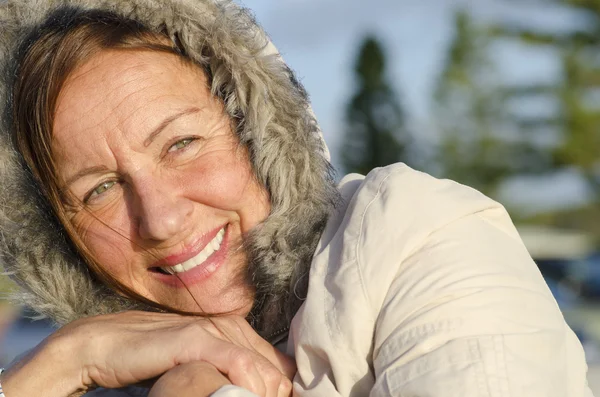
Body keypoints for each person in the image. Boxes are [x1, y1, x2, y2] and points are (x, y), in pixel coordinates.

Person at [0, 1, 593, 396]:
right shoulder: (90, 374)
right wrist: (63, 362)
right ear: (58, 235)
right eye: (100, 189)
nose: (161, 217)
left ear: (258, 132)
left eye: (181, 143)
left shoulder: (414, 237)